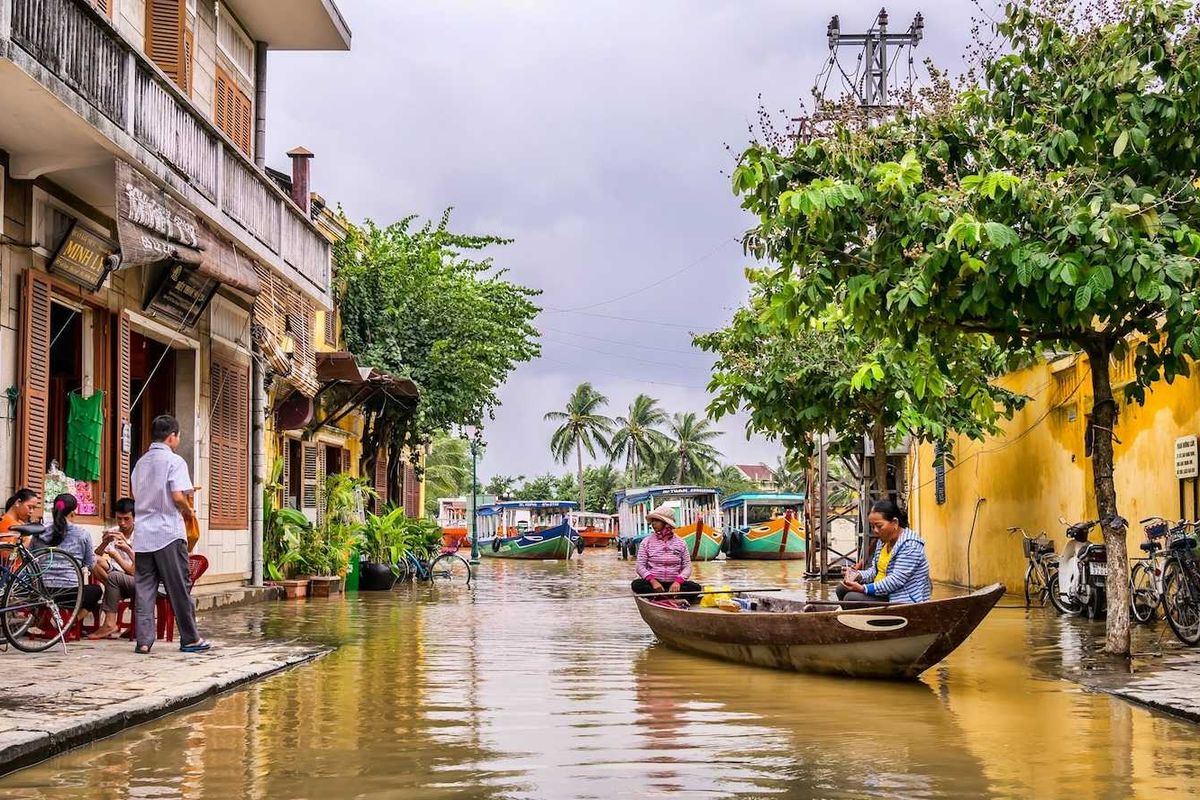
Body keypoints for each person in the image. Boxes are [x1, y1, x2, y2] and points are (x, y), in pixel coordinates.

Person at [130, 414, 210, 654]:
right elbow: (177, 496)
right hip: (167, 532)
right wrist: (188, 511)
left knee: (144, 589)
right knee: (178, 587)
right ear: (172, 436)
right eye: (178, 435)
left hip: (143, 534)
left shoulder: (140, 463)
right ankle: (190, 638)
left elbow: (136, 495)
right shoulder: (175, 462)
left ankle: (144, 642)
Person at [838, 499, 932, 606]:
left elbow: (895, 581)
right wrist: (857, 575)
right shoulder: (883, 542)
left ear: (895, 523)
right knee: (841, 589)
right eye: (872, 526)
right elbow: (875, 571)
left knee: (851, 598)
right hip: (885, 593)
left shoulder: (910, 546)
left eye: (879, 526)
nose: (875, 530)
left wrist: (864, 588)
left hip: (902, 598)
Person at [32, 494, 102, 619]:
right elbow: (90, 564)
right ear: (73, 513)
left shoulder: (39, 533)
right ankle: (71, 622)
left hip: (41, 592)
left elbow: (32, 557)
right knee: (96, 590)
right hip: (71, 594)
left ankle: (45, 622)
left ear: (53, 510)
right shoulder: (82, 534)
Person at [631, 504, 702, 605]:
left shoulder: (680, 543)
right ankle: (668, 599)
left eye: (656, 521)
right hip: (654, 585)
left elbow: (687, 567)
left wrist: (678, 581)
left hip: (674, 585)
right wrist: (653, 581)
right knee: (636, 584)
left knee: (695, 587)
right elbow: (640, 566)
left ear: (666, 524)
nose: (653, 524)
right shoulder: (646, 542)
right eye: (652, 521)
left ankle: (663, 599)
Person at [88, 497, 137, 640]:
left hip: (134, 577)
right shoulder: (114, 531)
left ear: (135, 518)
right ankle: (115, 591)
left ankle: (110, 622)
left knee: (114, 578)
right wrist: (104, 543)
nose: (122, 523)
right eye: (119, 519)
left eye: (126, 519)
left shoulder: (141, 534)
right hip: (117, 574)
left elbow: (134, 571)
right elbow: (96, 555)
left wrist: (123, 549)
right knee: (94, 561)